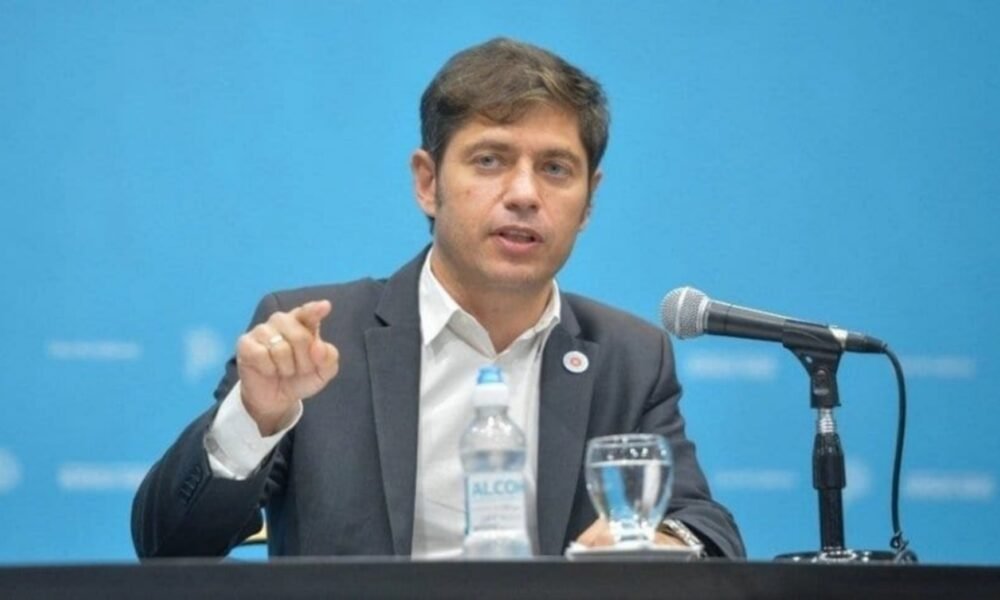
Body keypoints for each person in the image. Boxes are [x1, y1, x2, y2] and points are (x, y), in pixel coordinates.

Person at [131, 37, 745, 559]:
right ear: (427, 182)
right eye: (490, 160)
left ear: (589, 201)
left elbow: (704, 525)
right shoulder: (316, 342)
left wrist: (663, 541)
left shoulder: (629, 357)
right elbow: (168, 543)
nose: (525, 194)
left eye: (556, 168)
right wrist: (256, 417)